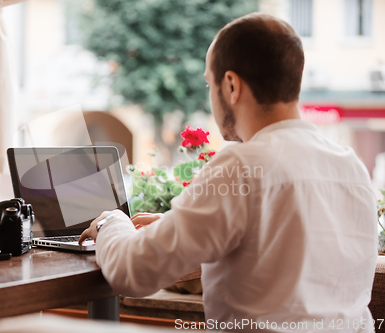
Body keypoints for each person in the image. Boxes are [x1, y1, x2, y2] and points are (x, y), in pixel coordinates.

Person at [79, 12, 377, 332]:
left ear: (231, 85)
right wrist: (175, 225)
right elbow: (290, 245)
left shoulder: (241, 167)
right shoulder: (350, 166)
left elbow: (134, 272)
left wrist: (112, 222)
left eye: (210, 83)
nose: (211, 96)